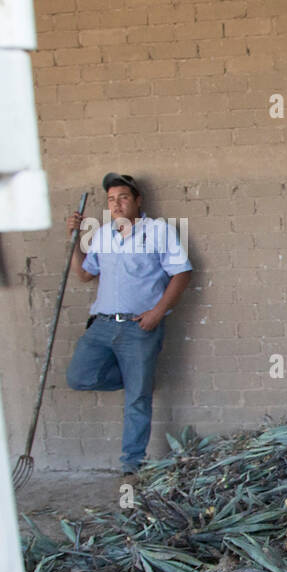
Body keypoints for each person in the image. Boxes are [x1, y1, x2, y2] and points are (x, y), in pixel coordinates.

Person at [65, 173, 192, 474]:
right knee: (79, 377)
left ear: (137, 200)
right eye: (111, 199)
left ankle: (131, 466)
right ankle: (139, 382)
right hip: (102, 325)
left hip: (139, 328)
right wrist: (73, 240)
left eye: (123, 197)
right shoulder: (103, 234)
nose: (117, 204)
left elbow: (182, 273)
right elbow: (85, 274)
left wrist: (158, 312)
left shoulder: (159, 231)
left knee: (137, 401)